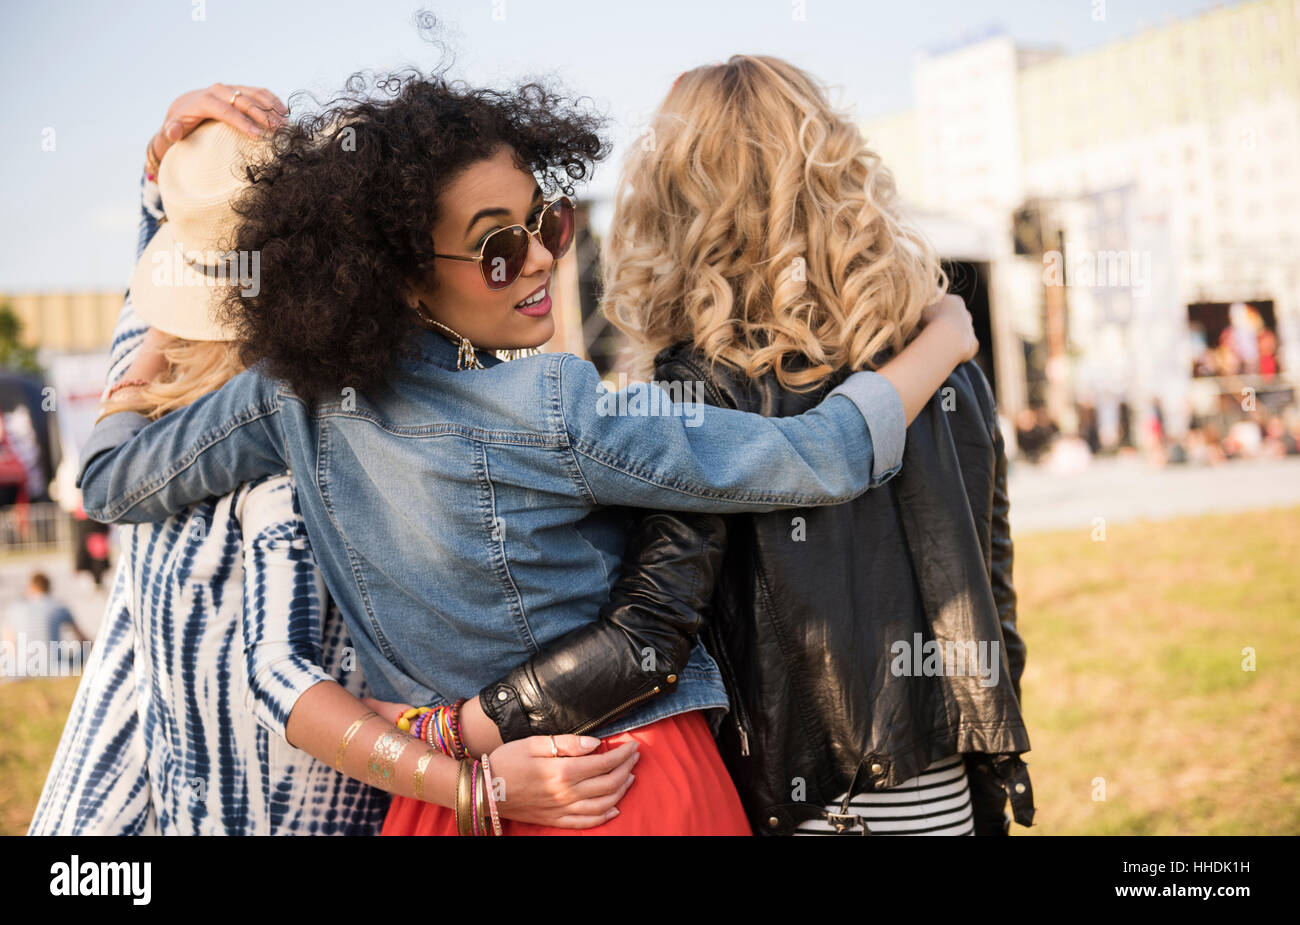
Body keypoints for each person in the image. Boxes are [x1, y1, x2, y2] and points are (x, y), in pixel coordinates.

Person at [75, 68, 978, 834]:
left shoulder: (288, 396)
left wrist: (159, 318)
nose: (542, 259)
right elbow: (821, 457)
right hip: (617, 780)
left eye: (545, 222)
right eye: (498, 248)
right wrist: (944, 336)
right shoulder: (552, 405)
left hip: (444, 798)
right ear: (398, 271)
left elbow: (111, 478)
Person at [34, 94, 641, 835]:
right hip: (258, 804)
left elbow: (279, 676)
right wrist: (174, 169)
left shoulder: (240, 430)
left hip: (257, 804)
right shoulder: (255, 419)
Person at [578, 56, 1033, 834]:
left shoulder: (697, 387)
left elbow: (655, 630)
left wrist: (458, 731)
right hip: (945, 792)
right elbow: (992, 588)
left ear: (674, 196)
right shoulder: (941, 352)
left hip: (811, 801)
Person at [1, 573, 89, 679]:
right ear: (48, 588)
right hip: (55, 666)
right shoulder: (59, 606)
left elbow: (9, 644)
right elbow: (82, 638)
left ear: (30, 587)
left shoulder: (15, 608)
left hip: (22, 668)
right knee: (80, 649)